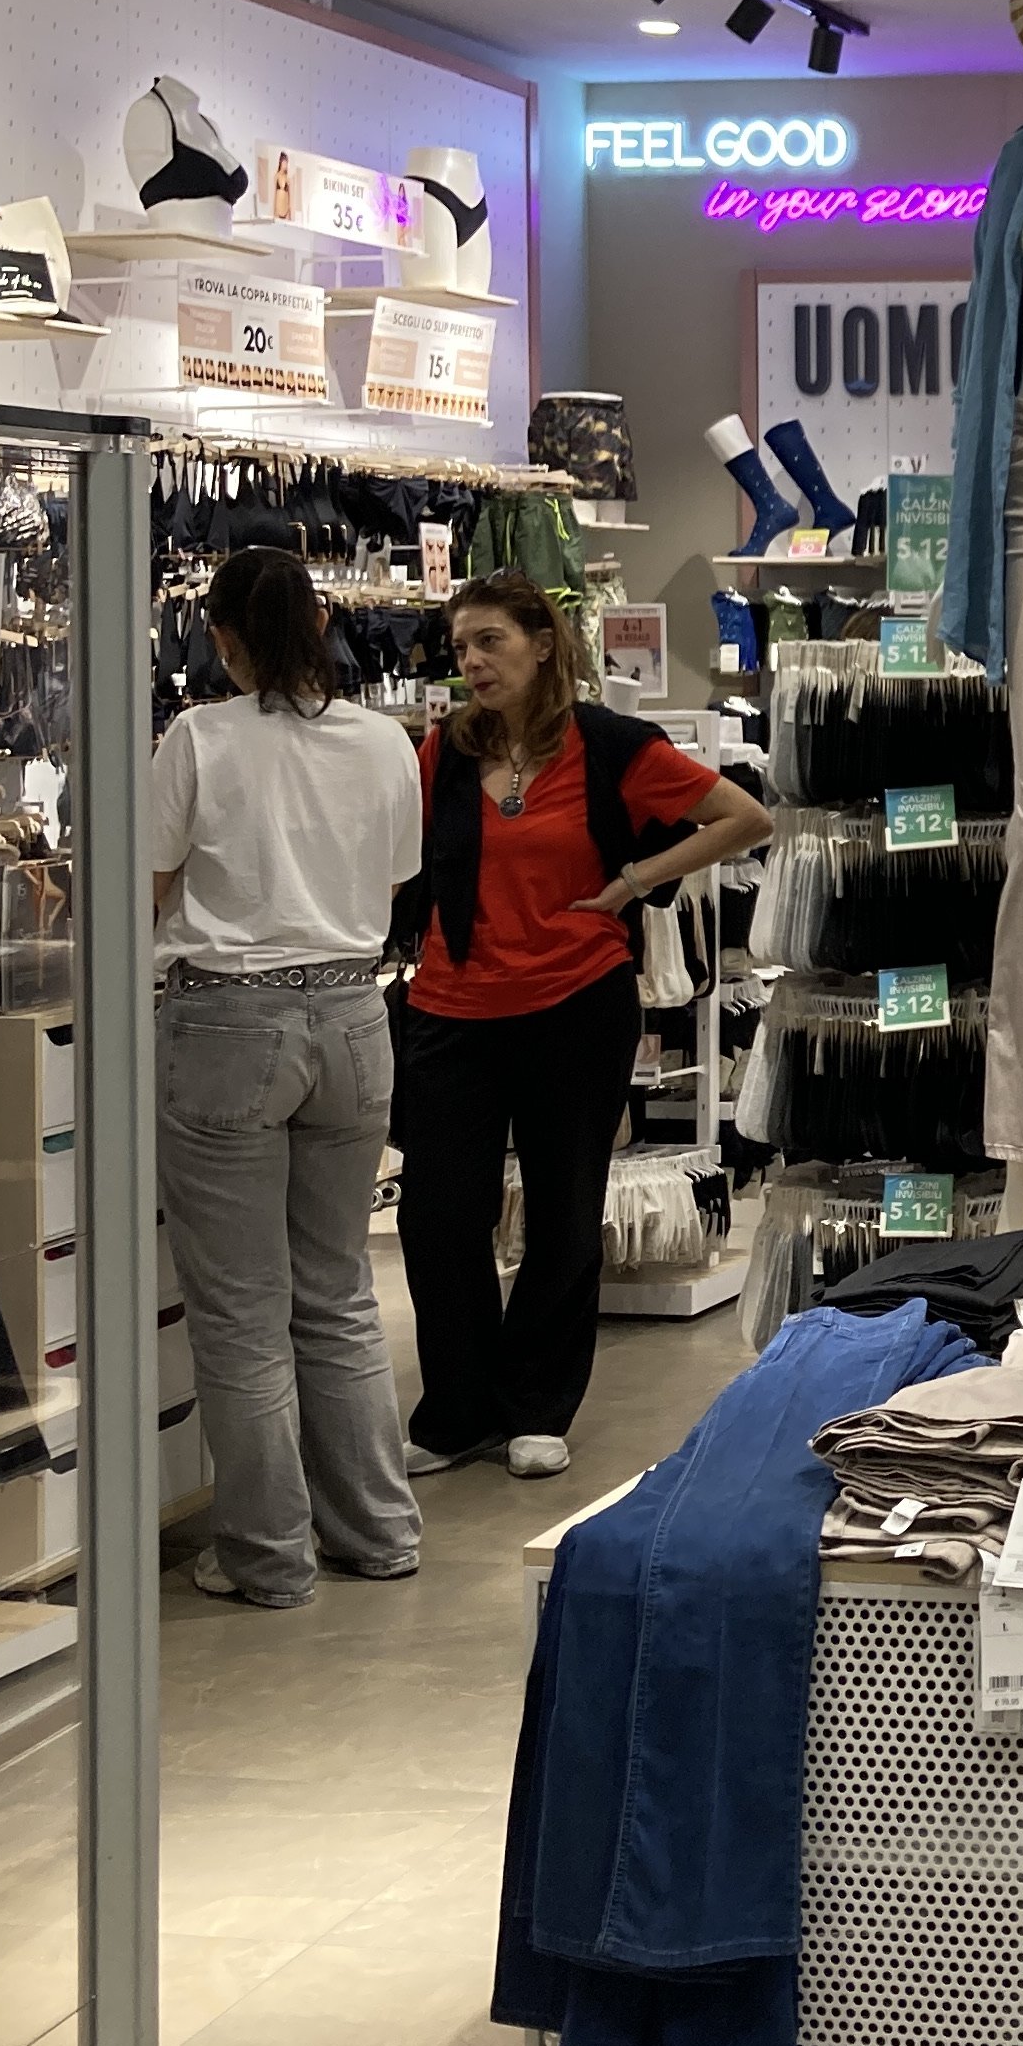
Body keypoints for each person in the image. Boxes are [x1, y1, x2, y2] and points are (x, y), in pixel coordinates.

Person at [393, 571, 774, 1478]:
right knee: (438, 1215)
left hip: (574, 1002)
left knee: (564, 1211)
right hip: (452, 1006)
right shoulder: (445, 751)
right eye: (461, 647)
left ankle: (536, 1407)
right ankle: (458, 1411)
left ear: (543, 645)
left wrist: (636, 882)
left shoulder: (609, 745)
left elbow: (744, 817)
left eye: (490, 641)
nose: (472, 661)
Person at [151, 547, 428, 1607]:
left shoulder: (199, 738)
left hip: (230, 1020)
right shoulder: (383, 741)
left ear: (222, 639)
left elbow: (146, 881)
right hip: (354, 1015)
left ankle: (267, 1555)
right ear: (320, 623)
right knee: (339, 1291)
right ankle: (378, 1531)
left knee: (241, 1311)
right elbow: (393, 879)